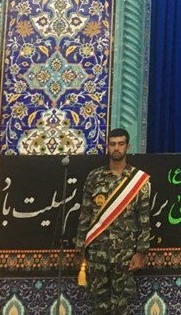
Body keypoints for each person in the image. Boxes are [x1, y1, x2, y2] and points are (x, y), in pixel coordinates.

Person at [75, 128, 151, 315]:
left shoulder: (138, 180)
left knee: (121, 307)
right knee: (99, 307)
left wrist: (141, 252)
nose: (116, 148)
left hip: (124, 255)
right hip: (97, 253)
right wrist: (80, 250)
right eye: (113, 144)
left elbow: (143, 219)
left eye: (121, 144)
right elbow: (85, 215)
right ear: (107, 147)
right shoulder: (94, 177)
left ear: (128, 147)